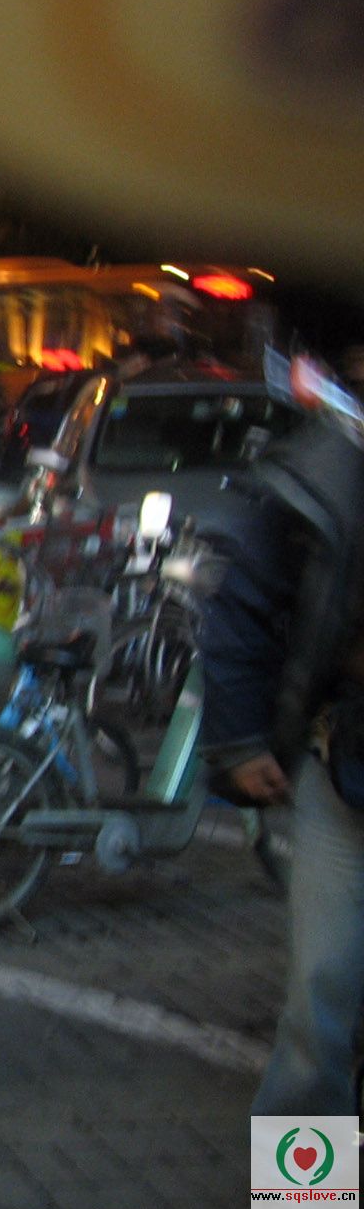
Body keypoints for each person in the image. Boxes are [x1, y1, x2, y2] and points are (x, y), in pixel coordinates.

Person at [201, 335, 364, 1116]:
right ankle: (304, 1181)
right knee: (316, 1011)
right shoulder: (324, 470)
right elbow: (244, 603)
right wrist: (240, 739)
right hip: (348, 767)